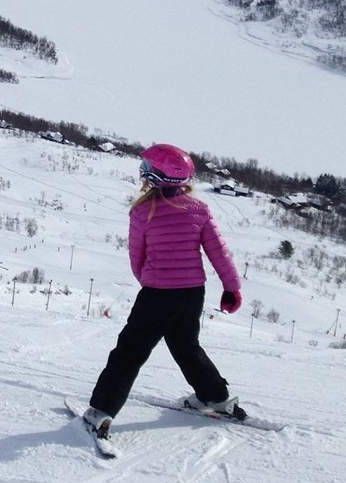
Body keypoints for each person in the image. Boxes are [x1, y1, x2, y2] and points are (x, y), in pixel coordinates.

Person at [80, 143, 246, 440]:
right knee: (186, 346)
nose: (143, 172)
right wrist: (231, 288)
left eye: (147, 168)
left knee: (129, 352)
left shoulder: (142, 211)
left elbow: (137, 257)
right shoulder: (200, 210)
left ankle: (100, 412)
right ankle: (217, 398)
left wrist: (150, 279)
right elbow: (219, 252)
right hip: (192, 293)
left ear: (158, 176)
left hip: (158, 293)